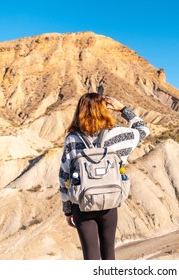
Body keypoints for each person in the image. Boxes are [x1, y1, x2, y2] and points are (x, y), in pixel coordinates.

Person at [59, 92, 150, 260]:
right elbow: (143, 129)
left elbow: (64, 176)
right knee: (109, 253)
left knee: (90, 255)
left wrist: (67, 209)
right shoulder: (118, 135)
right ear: (104, 110)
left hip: (82, 205)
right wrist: (122, 108)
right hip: (110, 202)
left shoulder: (71, 139)